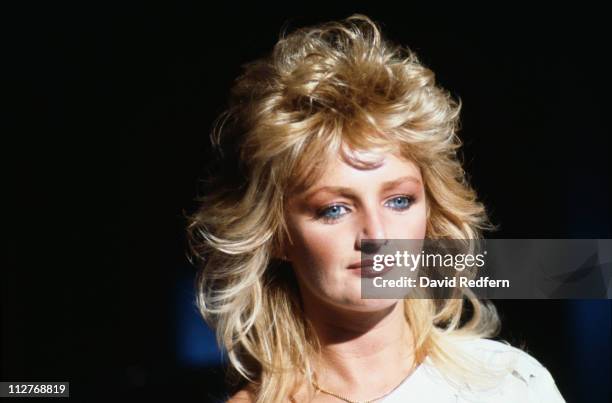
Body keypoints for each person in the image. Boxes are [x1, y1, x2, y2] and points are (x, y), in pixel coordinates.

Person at [186, 14, 565, 403]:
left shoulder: (508, 384)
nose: (377, 235)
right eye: (334, 209)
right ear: (277, 235)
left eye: (399, 201)